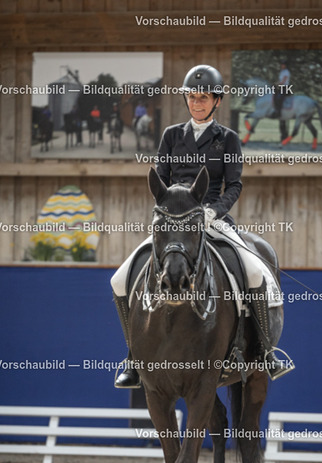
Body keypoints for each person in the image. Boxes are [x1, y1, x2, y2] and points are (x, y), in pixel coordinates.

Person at [111, 64, 294, 387]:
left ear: (217, 101)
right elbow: (160, 181)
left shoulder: (228, 139)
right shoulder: (171, 136)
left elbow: (234, 185)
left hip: (212, 218)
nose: (197, 103)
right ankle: (133, 357)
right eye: (192, 97)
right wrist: (167, 211)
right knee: (119, 280)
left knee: (254, 272)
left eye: (204, 98)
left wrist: (213, 211)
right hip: (174, 221)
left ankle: (266, 351)